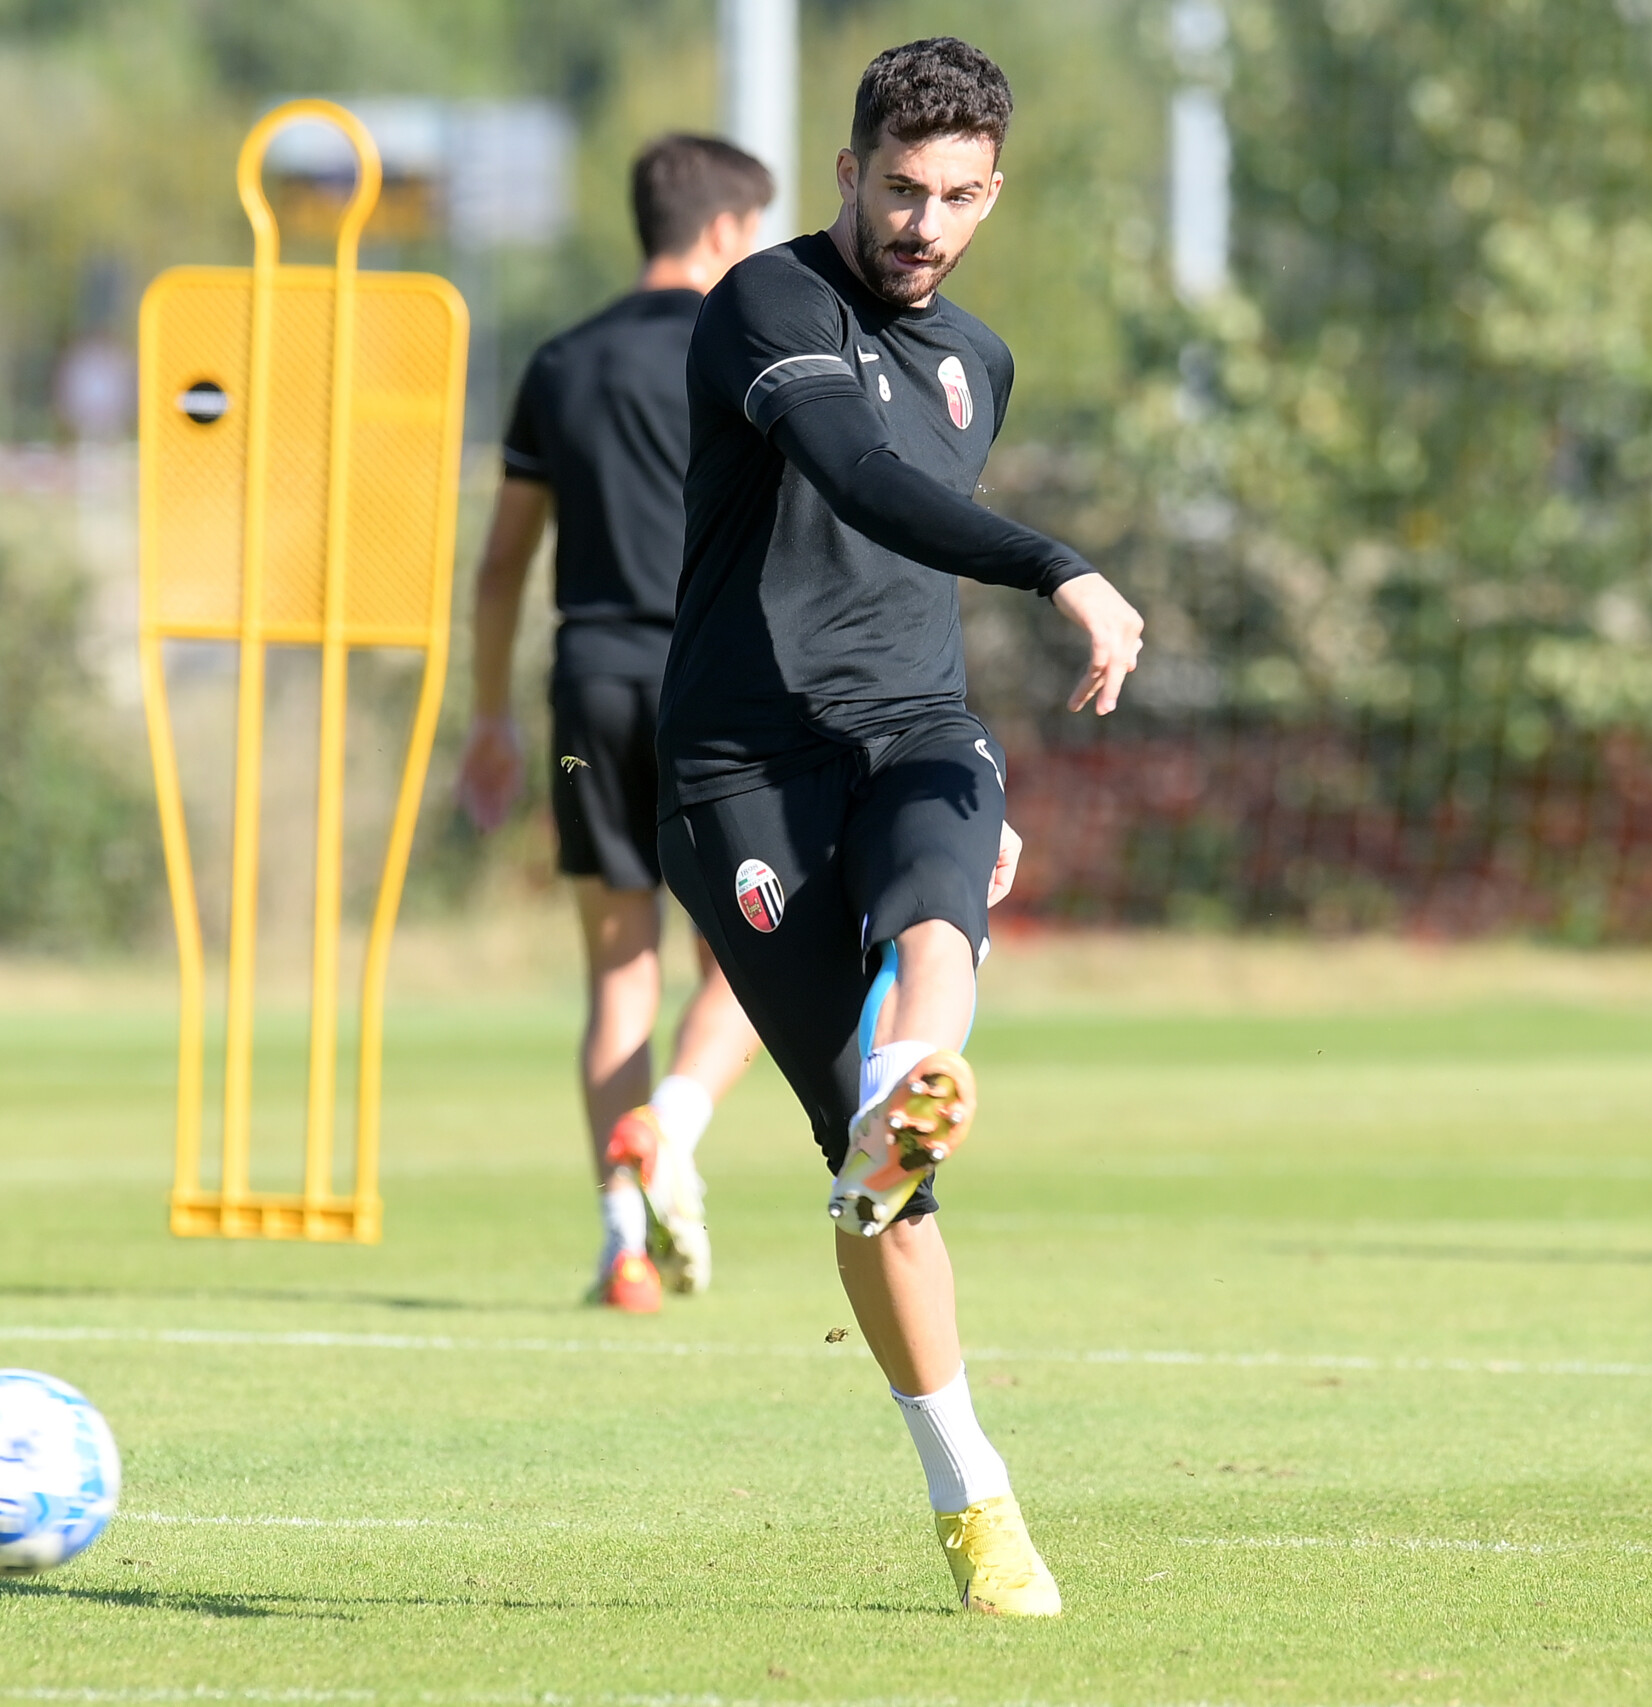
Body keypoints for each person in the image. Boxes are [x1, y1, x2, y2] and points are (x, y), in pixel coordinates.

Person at [657, 39, 1145, 1616]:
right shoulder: (767, 308)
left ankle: (907, 1079)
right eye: (900, 188)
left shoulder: (980, 362)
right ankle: (970, 1487)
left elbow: (903, 562)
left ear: (991, 194)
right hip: (744, 768)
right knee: (880, 1193)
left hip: (922, 735)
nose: (923, 223)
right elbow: (859, 480)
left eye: (957, 197)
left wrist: (969, 784)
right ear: (849, 169)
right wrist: (1060, 562)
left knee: (940, 906)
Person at [460, 135, 775, 1315]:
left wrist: (489, 716)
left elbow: (500, 568)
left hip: (588, 680)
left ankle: (620, 1248)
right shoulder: (744, 345)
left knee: (615, 971)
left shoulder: (561, 362)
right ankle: (675, 1127)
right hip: (716, 685)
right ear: (723, 232)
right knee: (749, 953)